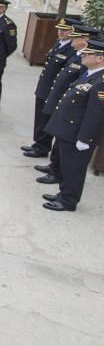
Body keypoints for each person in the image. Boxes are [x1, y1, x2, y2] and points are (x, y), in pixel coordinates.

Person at [41, 39, 104, 211]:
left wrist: (85, 138)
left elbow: (96, 115)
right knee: (65, 166)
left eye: (88, 53)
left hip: (78, 133)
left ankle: (68, 201)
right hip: (68, 129)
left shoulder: (101, 82)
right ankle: (63, 194)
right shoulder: (90, 74)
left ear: (100, 58)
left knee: (74, 169)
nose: (83, 55)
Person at [35, 25, 97, 185]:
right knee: (58, 139)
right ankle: (54, 167)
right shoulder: (77, 56)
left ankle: (57, 172)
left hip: (71, 108)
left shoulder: (85, 62)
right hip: (62, 102)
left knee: (64, 145)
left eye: (76, 37)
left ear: (85, 40)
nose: (72, 39)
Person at [23, 18, 79, 158]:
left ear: (73, 32)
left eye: (65, 30)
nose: (61, 32)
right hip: (44, 87)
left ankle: (42, 147)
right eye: (60, 29)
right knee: (39, 117)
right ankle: (37, 143)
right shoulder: (59, 43)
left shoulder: (72, 50)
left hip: (53, 91)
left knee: (46, 120)